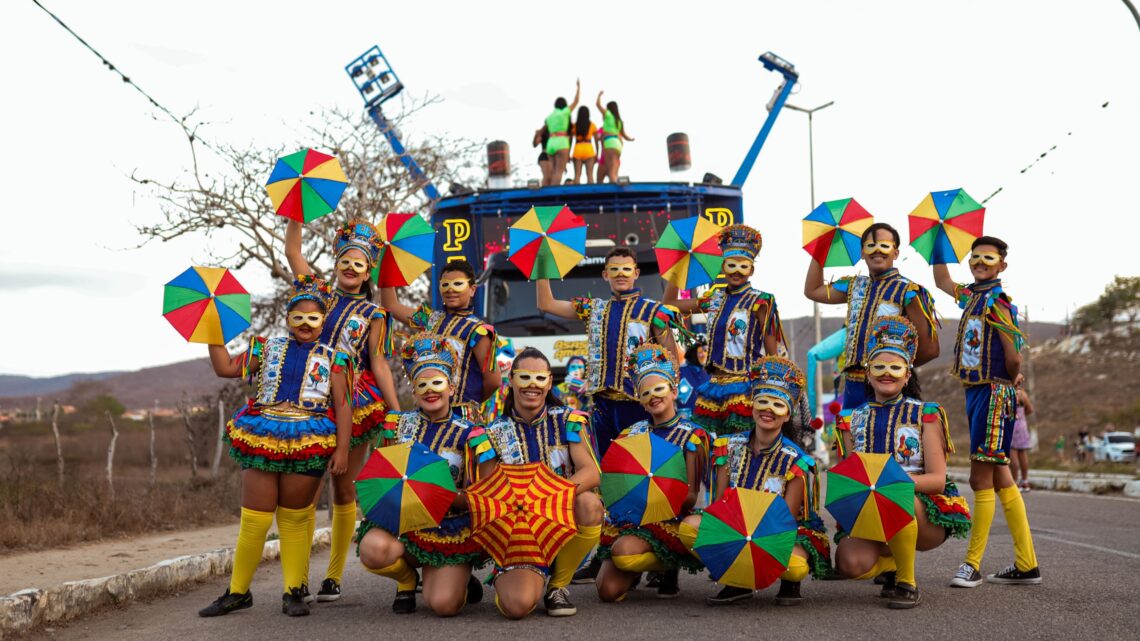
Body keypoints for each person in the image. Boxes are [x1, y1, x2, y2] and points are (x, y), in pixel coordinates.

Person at [198, 276, 351, 618]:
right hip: (263, 434)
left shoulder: (337, 358)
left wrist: (342, 450)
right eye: (298, 317)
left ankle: (293, 591)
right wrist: (212, 329)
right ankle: (238, 592)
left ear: (323, 321)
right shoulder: (265, 348)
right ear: (287, 318)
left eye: (313, 318)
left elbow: (342, 404)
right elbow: (225, 368)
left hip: (309, 437)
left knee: (295, 519)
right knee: (254, 518)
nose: (305, 324)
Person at [283, 218, 401, 602]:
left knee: (343, 486)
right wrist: (295, 213)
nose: (351, 268)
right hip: (308, 398)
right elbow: (293, 253)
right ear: (335, 263)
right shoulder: (317, 294)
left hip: (353, 400)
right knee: (303, 486)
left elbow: (379, 363)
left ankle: (333, 576)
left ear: (369, 272)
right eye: (346, 260)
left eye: (360, 263)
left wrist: (397, 414)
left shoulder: (375, 315)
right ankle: (296, 580)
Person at [833, 316, 971, 609]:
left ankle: (907, 582)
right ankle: (889, 562)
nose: (887, 374)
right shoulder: (848, 420)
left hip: (919, 511)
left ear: (907, 375)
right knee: (849, 563)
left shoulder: (926, 414)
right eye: (879, 367)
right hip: (872, 512)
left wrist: (893, 485)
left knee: (896, 496)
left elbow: (936, 480)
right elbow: (847, 479)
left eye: (895, 368)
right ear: (868, 374)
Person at [356, 334, 493, 616]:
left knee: (443, 605)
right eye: (422, 385)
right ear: (414, 391)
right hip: (405, 524)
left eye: (437, 383)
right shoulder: (395, 427)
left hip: (450, 528)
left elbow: (485, 493)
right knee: (372, 549)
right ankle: (407, 581)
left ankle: (459, 579)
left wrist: (448, 498)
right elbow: (381, 474)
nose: (430, 391)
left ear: (451, 387)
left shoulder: (472, 434)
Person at [933, 236, 1041, 588]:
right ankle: (1027, 564)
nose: (979, 261)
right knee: (1001, 477)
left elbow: (1014, 354)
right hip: (979, 393)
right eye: (975, 256)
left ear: (1002, 265)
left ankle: (972, 564)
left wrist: (1013, 379)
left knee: (981, 480)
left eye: (988, 258)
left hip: (994, 392)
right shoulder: (973, 296)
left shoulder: (997, 303)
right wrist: (938, 242)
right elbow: (941, 282)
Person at [680, 356, 831, 607]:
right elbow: (719, 505)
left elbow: (787, 519)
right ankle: (737, 579)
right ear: (752, 407)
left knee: (793, 567)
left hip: (780, 531)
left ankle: (787, 582)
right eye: (762, 402)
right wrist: (733, 532)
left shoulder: (797, 462)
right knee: (690, 528)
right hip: (737, 526)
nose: (768, 410)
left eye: (777, 405)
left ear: (787, 415)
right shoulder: (727, 447)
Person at [483, 348, 604, 618]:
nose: (532, 385)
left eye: (540, 378)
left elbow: (591, 472)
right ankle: (518, 577)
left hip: (560, 517)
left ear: (549, 382)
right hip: (519, 532)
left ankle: (557, 586)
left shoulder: (568, 421)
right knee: (518, 607)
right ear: (511, 380)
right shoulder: (491, 433)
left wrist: (550, 495)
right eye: (524, 377)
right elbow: (487, 489)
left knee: (589, 503)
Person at [537, 246, 679, 457]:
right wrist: (542, 265)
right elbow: (546, 304)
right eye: (614, 269)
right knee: (606, 468)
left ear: (636, 273)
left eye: (626, 269)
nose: (621, 274)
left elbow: (672, 361)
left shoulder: (653, 311)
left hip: (639, 404)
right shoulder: (594, 309)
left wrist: (664, 403)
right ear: (605, 275)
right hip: (602, 406)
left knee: (641, 464)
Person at [595, 343, 710, 602]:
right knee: (607, 591)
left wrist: (657, 497)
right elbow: (616, 480)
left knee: (624, 552)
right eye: (646, 392)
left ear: (673, 392)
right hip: (633, 518)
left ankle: (669, 564)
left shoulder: (692, 436)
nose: (653, 396)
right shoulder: (630, 434)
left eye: (659, 389)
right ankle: (639, 569)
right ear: (640, 400)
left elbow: (692, 495)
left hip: (671, 517)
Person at [804, 222, 939, 411]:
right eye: (871, 246)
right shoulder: (854, 286)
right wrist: (821, 249)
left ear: (896, 253)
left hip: (887, 387)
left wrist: (894, 371)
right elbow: (813, 291)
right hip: (853, 386)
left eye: (885, 245)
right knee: (850, 438)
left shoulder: (909, 292)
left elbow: (931, 349)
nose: (878, 251)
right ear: (862, 253)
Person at [665, 224, 783, 436]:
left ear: (752, 270)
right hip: (713, 387)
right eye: (731, 265)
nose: (737, 271)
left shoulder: (761, 301)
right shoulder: (714, 300)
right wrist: (678, 265)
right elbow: (669, 305)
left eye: (743, 266)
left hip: (745, 388)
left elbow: (774, 355)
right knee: (717, 452)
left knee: (743, 447)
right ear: (723, 266)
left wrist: (774, 391)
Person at [382, 259, 498, 421]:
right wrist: (388, 263)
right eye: (445, 285)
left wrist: (466, 402)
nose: (450, 290)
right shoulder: (431, 320)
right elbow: (391, 306)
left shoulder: (478, 331)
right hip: (429, 413)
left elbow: (493, 381)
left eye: (457, 284)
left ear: (472, 290)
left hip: (462, 418)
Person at [543, 79, 581, 186]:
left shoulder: (549, 116)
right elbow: (576, 101)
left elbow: (544, 128)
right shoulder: (564, 112)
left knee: (553, 170)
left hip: (550, 143)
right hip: (561, 141)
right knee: (559, 171)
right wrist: (578, 87)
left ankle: (550, 191)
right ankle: (554, 194)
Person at [595, 91, 634, 184]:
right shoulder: (619, 121)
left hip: (609, 142)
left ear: (609, 108)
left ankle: (616, 187)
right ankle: (616, 182)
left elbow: (597, 104)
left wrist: (599, 95)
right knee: (613, 168)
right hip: (618, 145)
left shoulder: (608, 114)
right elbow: (624, 135)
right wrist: (631, 139)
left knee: (610, 171)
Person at [481, 337, 516, 422]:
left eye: (507, 352)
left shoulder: (515, 386)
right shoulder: (484, 384)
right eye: (496, 353)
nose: (501, 357)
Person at [1009, 383, 1035, 491]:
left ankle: (1015, 482)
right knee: (1022, 454)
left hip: (1012, 425)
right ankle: (1025, 481)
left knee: (1013, 454)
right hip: (1022, 425)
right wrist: (1021, 415)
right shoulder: (1023, 393)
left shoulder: (1009, 392)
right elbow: (1030, 409)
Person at [570, 106, 598, 184]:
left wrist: (569, 154)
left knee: (577, 176)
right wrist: (597, 153)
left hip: (577, 149)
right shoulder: (592, 125)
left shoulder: (575, 125)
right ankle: (591, 194)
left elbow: (571, 140)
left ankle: (576, 194)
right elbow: (596, 141)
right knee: (590, 175)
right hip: (589, 149)